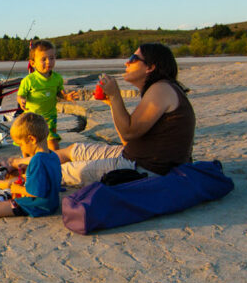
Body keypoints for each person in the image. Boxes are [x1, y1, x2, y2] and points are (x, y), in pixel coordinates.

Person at [57, 43, 195, 186]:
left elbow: (128, 132)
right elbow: (128, 142)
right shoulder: (159, 89)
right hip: (133, 157)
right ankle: (32, 160)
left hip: (143, 168)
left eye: (133, 58)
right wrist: (112, 103)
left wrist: (115, 95)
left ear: (150, 67)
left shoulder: (161, 89)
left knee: (60, 171)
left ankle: (37, 171)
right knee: (73, 150)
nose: (126, 62)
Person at [0, 113, 62, 218]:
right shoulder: (53, 155)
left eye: (21, 144)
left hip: (37, 206)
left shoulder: (37, 160)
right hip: (52, 202)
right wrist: (29, 170)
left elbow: (36, 193)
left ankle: (0, 194)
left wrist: (16, 189)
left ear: (32, 139)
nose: (21, 148)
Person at [16, 39, 79, 151]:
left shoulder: (57, 78)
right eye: (43, 59)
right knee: (28, 146)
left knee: (52, 142)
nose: (48, 62)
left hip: (49, 118)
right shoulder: (28, 80)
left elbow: (60, 93)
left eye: (52, 58)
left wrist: (66, 97)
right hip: (31, 119)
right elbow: (20, 95)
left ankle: (55, 161)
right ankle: (27, 163)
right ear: (33, 63)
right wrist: (21, 100)